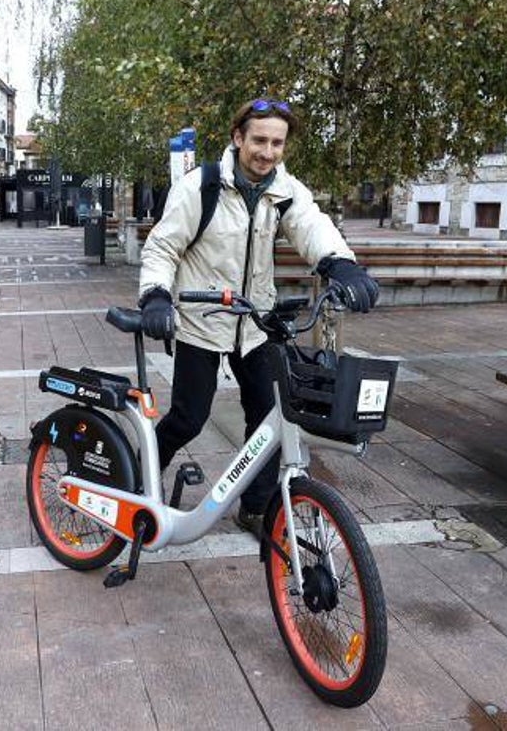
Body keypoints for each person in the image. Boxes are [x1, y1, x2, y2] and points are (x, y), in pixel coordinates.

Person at [137, 98, 379, 542]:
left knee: (269, 416)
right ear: (238, 138)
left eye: (277, 143)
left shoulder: (284, 189)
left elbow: (312, 225)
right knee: (190, 417)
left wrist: (340, 264)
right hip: (201, 320)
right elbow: (162, 247)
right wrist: (155, 296)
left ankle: (257, 509)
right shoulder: (202, 187)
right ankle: (143, 471)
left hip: (256, 323)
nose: (267, 152)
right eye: (260, 140)